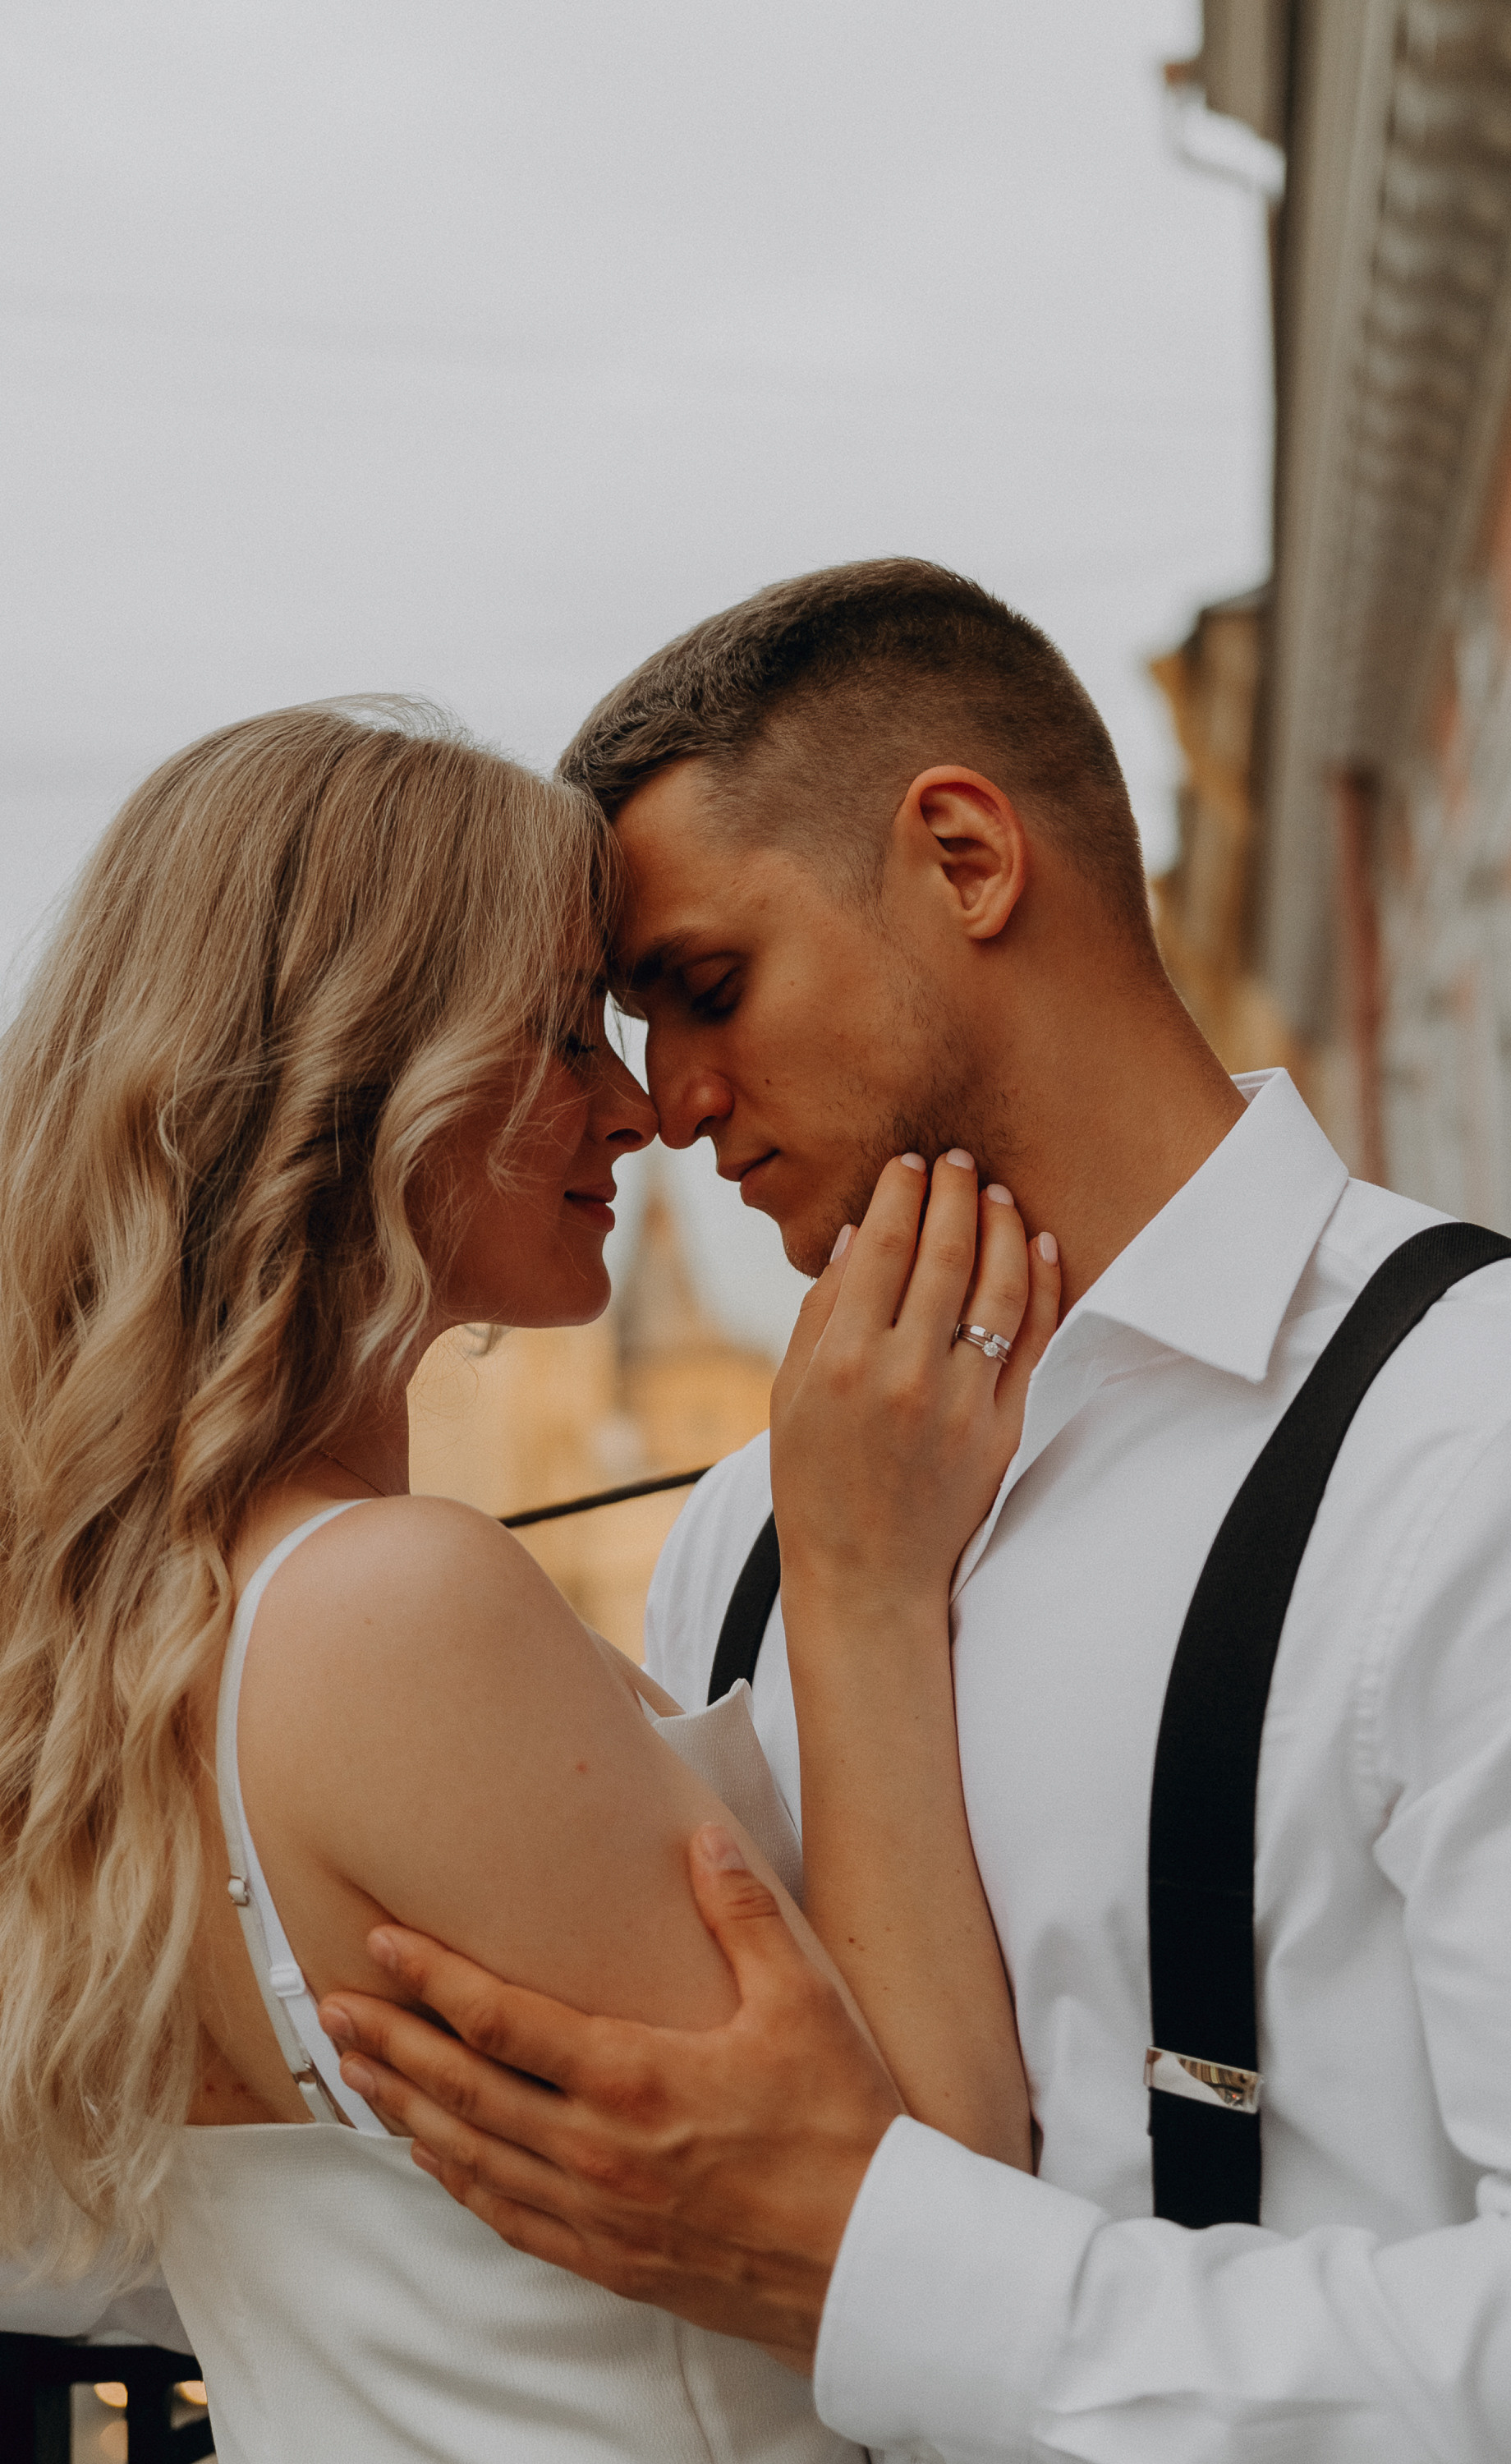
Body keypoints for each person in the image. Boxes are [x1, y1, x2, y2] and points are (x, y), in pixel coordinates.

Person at [319, 562, 1511, 2463]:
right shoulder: (739, 1540)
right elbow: (565, 2155)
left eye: (704, 991)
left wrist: (885, 2271)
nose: (673, 1109)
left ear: (963, 857)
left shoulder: (1467, 1437)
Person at [0, 693, 1052, 2462]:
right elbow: (934, 2244)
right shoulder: (382, 1607)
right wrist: (863, 1581)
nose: (639, 1110)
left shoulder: (162, 1623)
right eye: (569, 1034)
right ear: (366, 1074)